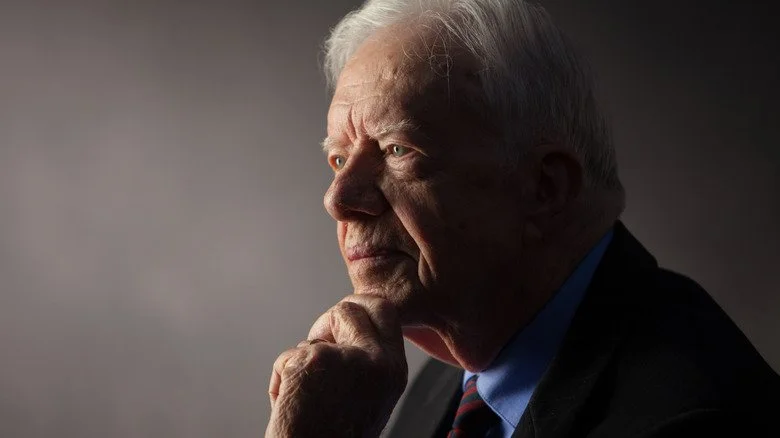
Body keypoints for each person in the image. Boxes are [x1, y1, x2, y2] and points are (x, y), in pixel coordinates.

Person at [265, 1, 780, 437]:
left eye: (398, 149)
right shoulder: (444, 378)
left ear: (545, 188)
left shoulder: (692, 416)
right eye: (338, 158)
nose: (339, 197)